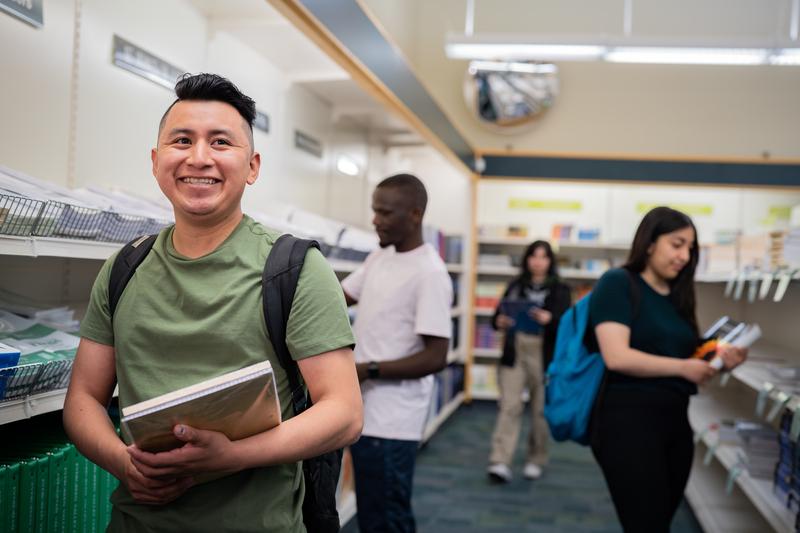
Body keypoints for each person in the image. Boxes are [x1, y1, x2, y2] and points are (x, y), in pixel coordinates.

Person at [63, 73, 363, 532]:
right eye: (181, 140)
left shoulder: (293, 269)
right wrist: (125, 464)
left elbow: (343, 413)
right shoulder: (123, 268)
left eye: (221, 142)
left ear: (253, 166)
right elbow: (83, 397)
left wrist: (230, 457)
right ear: (156, 159)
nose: (198, 158)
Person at [588, 206, 747, 532]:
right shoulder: (617, 283)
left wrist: (719, 358)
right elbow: (617, 356)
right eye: (677, 244)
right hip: (627, 423)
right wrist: (682, 368)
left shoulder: (679, 296)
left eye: (690, 248)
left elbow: (685, 355)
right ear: (649, 243)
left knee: (659, 521)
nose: (685, 256)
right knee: (645, 524)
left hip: (675, 422)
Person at [341, 173, 452, 533]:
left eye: (385, 213)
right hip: (365, 409)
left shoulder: (430, 273)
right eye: (375, 211)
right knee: (373, 511)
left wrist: (366, 370)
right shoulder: (381, 256)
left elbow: (436, 356)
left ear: (415, 215)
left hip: (393, 420)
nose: (375, 220)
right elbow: (340, 296)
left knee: (388, 515)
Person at [486, 240, 571, 483]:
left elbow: (567, 324)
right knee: (509, 406)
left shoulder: (561, 290)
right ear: (527, 259)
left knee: (539, 410)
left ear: (550, 261)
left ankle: (536, 458)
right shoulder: (515, 285)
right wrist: (500, 321)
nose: (538, 261)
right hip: (515, 350)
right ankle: (500, 460)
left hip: (545, 353)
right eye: (533, 256)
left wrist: (550, 319)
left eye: (543, 257)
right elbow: (496, 317)